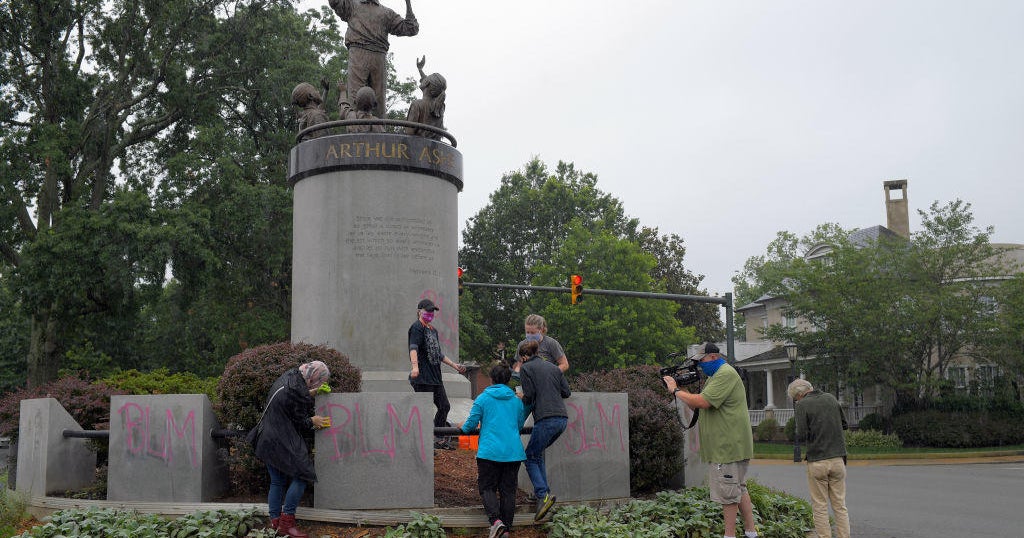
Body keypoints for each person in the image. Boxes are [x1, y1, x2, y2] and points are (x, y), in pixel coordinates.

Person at [663, 343, 758, 538]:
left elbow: (702, 402)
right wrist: (682, 392)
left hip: (727, 446)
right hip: (731, 445)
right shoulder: (716, 377)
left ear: (713, 357)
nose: (699, 367)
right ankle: (751, 531)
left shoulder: (724, 374)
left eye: (701, 361)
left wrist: (675, 390)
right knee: (738, 488)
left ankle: (729, 535)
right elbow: (698, 407)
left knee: (728, 494)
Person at [250, 361, 331, 538]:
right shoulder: (296, 389)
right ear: (314, 376)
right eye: (318, 381)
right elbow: (300, 420)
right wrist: (313, 421)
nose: (316, 384)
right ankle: (287, 523)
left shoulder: (292, 376)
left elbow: (291, 397)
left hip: (267, 437)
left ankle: (275, 522)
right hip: (280, 439)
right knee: (303, 475)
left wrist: (314, 392)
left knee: (277, 481)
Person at [455, 363, 526, 538]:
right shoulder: (517, 401)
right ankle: (506, 529)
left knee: (487, 488)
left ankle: (495, 522)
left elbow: (470, 425)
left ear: (492, 379)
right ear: (508, 380)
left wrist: (462, 427)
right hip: (513, 452)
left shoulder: (483, 399)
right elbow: (518, 425)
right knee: (508, 491)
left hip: (489, 452)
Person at [328, 0, 419, 119]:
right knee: (355, 100)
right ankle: (355, 132)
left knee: (379, 103)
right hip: (358, 53)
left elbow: (411, 28)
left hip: (378, 56)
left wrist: (408, 3)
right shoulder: (352, 5)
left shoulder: (387, 13)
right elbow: (335, 2)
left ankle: (379, 132)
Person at [788, 378, 851, 538]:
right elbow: (844, 424)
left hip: (817, 461)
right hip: (838, 458)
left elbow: (801, 433)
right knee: (840, 505)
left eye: (795, 398)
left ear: (799, 395)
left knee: (820, 506)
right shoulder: (830, 398)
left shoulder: (802, 405)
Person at [519, 339, 571, 521]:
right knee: (536, 454)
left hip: (545, 419)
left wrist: (521, 396)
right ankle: (545, 494)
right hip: (562, 419)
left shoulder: (526, 368)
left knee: (529, 456)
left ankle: (542, 495)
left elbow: (530, 395)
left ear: (524, 356)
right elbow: (566, 393)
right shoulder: (553, 367)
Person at [409, 298, 466, 449]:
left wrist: (455, 365)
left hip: (435, 378)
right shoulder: (416, 328)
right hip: (422, 378)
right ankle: (424, 443)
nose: (430, 313)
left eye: (432, 311)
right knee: (425, 412)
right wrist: (415, 367)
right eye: (427, 311)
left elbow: (438, 354)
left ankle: (438, 438)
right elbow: (413, 348)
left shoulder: (433, 330)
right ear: (419, 311)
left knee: (444, 406)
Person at [404, 55, 446, 139]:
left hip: (416, 147)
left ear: (426, 85)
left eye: (426, 80)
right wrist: (420, 70)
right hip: (432, 148)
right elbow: (428, 81)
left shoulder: (417, 104)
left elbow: (409, 132)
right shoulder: (441, 106)